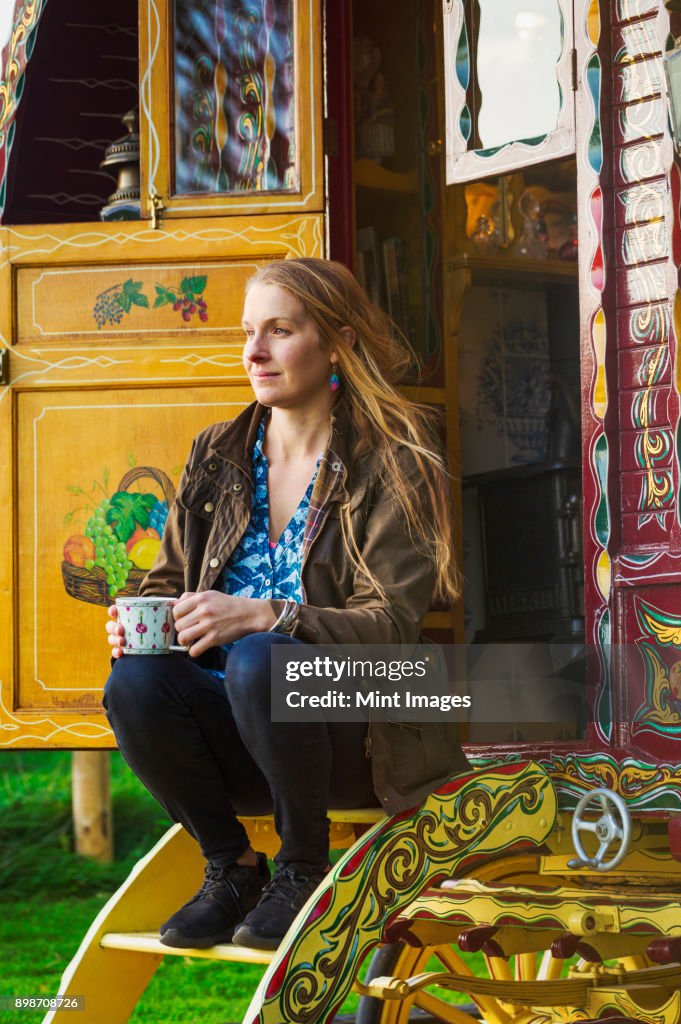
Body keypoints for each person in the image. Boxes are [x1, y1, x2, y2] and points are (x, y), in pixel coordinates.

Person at [103, 257, 467, 952]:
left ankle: (303, 868)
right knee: (138, 680)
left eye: (279, 330)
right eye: (248, 332)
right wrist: (136, 622)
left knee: (263, 658)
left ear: (337, 342)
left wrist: (269, 615)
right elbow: (167, 583)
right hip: (236, 736)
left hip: (357, 735)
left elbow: (390, 624)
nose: (254, 351)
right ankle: (231, 867)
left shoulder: (396, 457)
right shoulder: (218, 451)